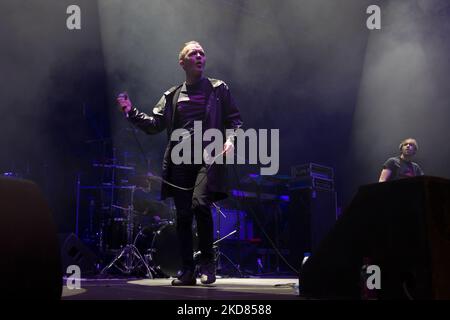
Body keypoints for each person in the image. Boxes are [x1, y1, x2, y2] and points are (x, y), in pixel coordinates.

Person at [116, 41, 243, 285]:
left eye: (202, 53)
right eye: (193, 53)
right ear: (182, 62)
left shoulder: (218, 88)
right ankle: (188, 271)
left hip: (208, 156)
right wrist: (130, 112)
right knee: (183, 215)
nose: (199, 56)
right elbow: (155, 125)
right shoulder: (172, 95)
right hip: (180, 161)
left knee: (200, 203)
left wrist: (231, 140)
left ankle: (207, 263)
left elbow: (234, 120)